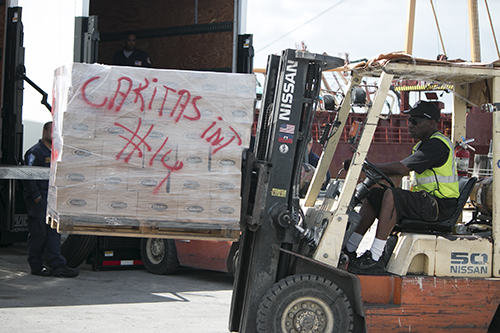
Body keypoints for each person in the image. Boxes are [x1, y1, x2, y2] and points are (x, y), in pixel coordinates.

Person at [345, 101, 459, 274]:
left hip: (439, 206)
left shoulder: (437, 145)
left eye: (415, 121)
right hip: (428, 202)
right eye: (409, 120)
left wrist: (363, 165)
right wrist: (367, 168)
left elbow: (401, 169)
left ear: (431, 123)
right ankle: (350, 249)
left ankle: (375, 257)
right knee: (375, 194)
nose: (410, 125)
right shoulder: (422, 145)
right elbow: (401, 171)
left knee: (393, 195)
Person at [23, 121, 79, 278]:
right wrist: (36, 197)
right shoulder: (35, 152)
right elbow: (28, 176)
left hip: (53, 199)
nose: (54, 135)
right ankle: (36, 266)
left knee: (54, 232)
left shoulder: (56, 152)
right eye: (51, 131)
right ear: (44, 132)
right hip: (39, 200)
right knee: (38, 233)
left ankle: (58, 265)